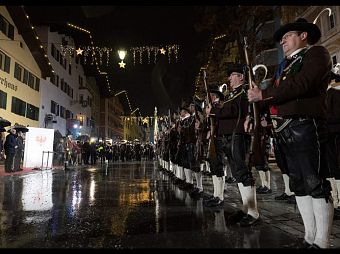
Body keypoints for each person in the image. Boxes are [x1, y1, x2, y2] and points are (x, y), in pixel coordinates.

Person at [247, 18, 333, 248]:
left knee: (314, 182)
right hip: (284, 129)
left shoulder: (316, 54)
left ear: (303, 36)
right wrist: (258, 114)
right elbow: (278, 94)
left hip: (306, 125)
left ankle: (322, 242)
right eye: (282, 39)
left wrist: (264, 96)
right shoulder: (285, 65)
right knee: (298, 185)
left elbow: (302, 84)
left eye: (287, 36)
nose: (283, 41)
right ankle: (308, 238)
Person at [326, 71, 340, 220]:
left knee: (337, 168)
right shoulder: (319, 97)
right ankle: (334, 201)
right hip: (325, 137)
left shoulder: (335, 94)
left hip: (335, 135)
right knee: (329, 169)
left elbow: (337, 115)